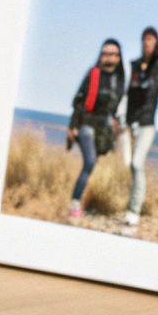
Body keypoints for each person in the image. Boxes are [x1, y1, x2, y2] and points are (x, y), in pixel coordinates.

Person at [119, 26, 158, 227]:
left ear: (156, 42)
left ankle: (134, 211)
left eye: (151, 39)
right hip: (129, 123)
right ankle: (128, 203)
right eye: (145, 39)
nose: (147, 42)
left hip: (147, 124)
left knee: (136, 164)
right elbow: (123, 89)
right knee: (126, 164)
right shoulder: (133, 66)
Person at [66, 38, 125, 218]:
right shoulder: (93, 74)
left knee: (91, 166)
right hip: (86, 123)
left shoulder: (120, 79)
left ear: (118, 57)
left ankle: (82, 200)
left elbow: (117, 108)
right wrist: (73, 126)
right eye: (105, 53)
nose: (108, 57)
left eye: (112, 54)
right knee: (89, 161)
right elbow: (78, 100)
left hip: (104, 130)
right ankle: (74, 204)